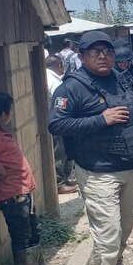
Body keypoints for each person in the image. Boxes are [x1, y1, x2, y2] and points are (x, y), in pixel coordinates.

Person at [48, 31, 133, 265]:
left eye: (107, 51)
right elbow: (56, 124)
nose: (102, 56)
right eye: (94, 51)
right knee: (108, 230)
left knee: (124, 226)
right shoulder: (70, 88)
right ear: (81, 56)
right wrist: (100, 120)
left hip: (128, 165)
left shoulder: (120, 78)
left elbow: (132, 107)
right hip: (97, 170)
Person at [0, 92, 68, 265]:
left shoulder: (0, 133)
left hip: (21, 192)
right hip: (11, 195)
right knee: (22, 235)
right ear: (3, 114)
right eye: (9, 111)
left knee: (33, 229)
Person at [45, 56, 77, 194]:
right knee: (59, 152)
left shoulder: (46, 76)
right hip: (59, 121)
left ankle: (65, 179)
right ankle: (60, 183)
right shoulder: (55, 82)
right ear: (59, 66)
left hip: (52, 120)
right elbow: (62, 102)